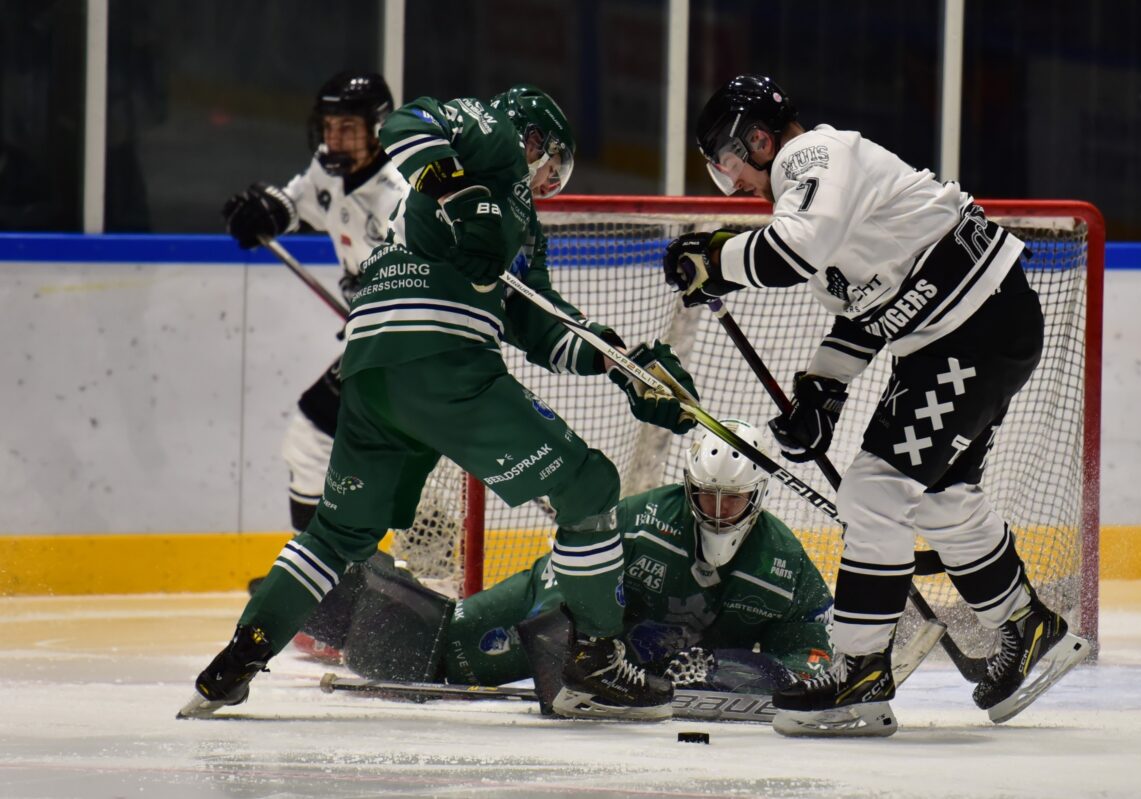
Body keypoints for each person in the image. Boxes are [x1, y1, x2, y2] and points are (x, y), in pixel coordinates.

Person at [181, 84, 700, 722]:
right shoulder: (497, 141)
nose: (549, 181)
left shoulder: (523, 231)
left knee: (338, 533)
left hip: (371, 370)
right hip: (444, 362)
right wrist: (459, 190)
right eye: (553, 164)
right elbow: (406, 120)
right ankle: (593, 665)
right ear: (535, 140)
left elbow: (540, 325)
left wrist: (623, 364)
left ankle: (233, 665)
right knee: (590, 488)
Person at [663, 75, 1090, 737]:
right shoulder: (817, 198)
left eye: (728, 164)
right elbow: (862, 316)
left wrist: (715, 257)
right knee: (941, 495)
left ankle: (860, 671)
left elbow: (787, 253)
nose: (734, 184)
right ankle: (1027, 626)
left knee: (876, 490)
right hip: (968, 332)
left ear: (759, 137)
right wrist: (820, 393)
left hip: (970, 332)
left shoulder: (815, 158)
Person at [335, 420, 832, 698]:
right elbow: (566, 578)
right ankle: (331, 588)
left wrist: (725, 670)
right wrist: (571, 651)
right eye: (708, 497)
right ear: (689, 487)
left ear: (758, 495)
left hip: (637, 676)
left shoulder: (784, 563)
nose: (720, 513)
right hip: (563, 618)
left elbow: (813, 660)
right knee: (431, 650)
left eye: (734, 500)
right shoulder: (640, 520)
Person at [221, 71, 403, 552]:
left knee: (311, 441)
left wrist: (377, 304)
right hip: (378, 344)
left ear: (379, 128)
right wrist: (267, 212)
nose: (333, 138)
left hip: (405, 346)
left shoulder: (399, 197)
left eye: (347, 127)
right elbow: (298, 204)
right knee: (351, 456)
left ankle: (315, 581)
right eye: (328, 125)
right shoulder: (330, 168)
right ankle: (331, 576)